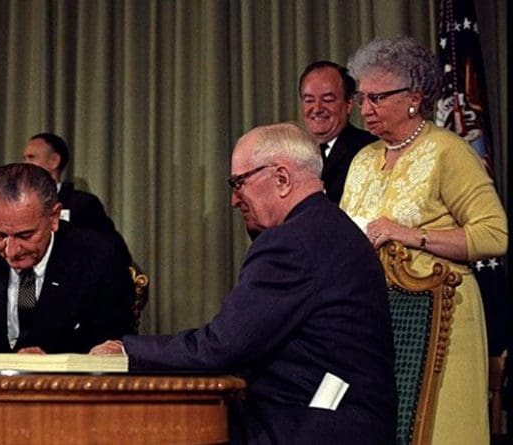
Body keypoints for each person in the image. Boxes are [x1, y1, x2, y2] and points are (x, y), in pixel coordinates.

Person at [91, 123, 397, 444]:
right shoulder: (329, 226)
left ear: (281, 178)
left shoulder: (292, 242)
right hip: (333, 417)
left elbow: (222, 346)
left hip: (312, 423)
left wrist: (128, 351)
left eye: (239, 183)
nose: (235, 200)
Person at [340, 36, 508, 444]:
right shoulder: (362, 160)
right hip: (379, 322)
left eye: (376, 98)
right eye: (362, 98)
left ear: (414, 98)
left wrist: (411, 236)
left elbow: (495, 235)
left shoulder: (448, 152)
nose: (365, 109)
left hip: (443, 320)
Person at [0, 163, 135, 354]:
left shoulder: (100, 256)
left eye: (25, 235)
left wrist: (51, 358)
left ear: (54, 217)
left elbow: (115, 340)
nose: (12, 250)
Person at [298, 61, 377, 204]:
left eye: (328, 100)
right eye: (309, 100)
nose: (317, 109)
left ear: (349, 104)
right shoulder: (293, 153)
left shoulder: (370, 150)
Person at [23, 133, 116, 231]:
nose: (25, 164)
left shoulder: (83, 204)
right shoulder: (18, 200)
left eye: (31, 157)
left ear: (54, 161)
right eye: (24, 158)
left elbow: (107, 242)